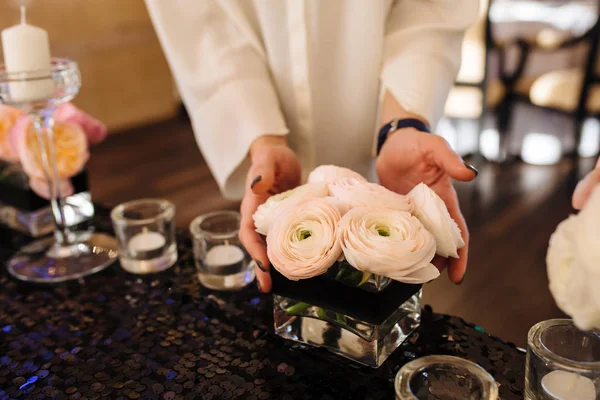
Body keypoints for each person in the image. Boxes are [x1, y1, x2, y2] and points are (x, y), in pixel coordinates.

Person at [145, 0, 481, 292]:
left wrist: (402, 125)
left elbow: (430, 7)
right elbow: (203, 26)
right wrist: (264, 139)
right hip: (263, 124)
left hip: (372, 116)